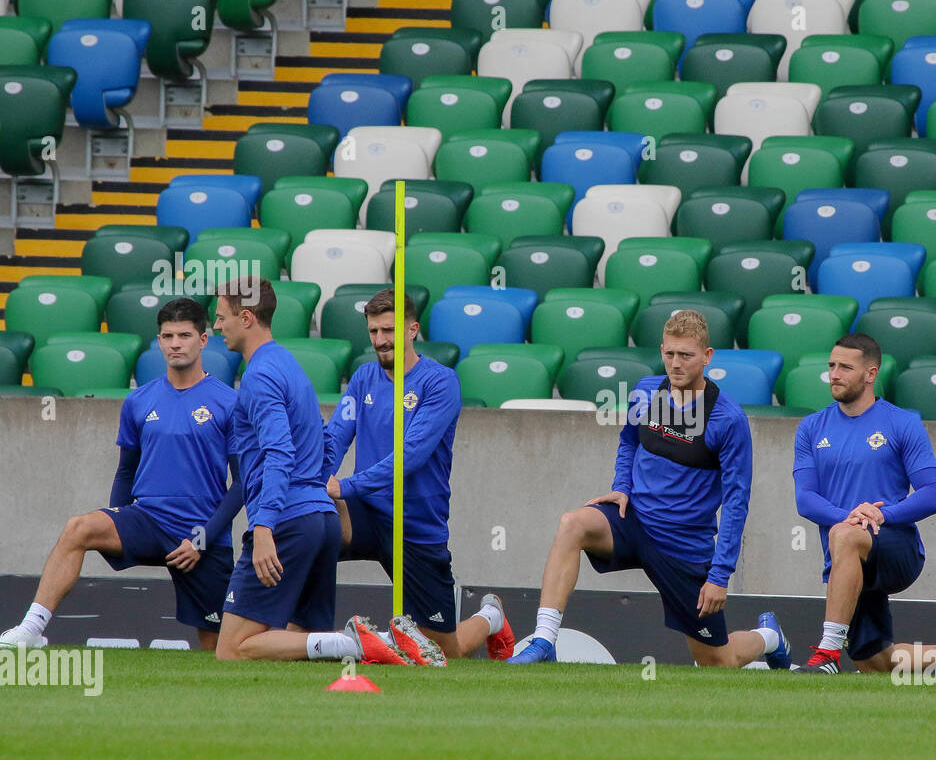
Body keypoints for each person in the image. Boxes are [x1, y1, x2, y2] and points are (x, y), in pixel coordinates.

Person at [506, 309, 790, 668]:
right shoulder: (644, 390)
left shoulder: (728, 419)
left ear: (707, 356)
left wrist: (720, 576)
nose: (676, 363)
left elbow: (737, 501)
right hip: (633, 519)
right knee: (572, 524)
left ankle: (770, 638)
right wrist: (621, 486)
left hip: (683, 546)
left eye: (686, 355)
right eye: (669, 354)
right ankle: (545, 640)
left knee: (718, 661)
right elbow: (628, 441)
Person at [0, 298, 240, 652]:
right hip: (149, 519)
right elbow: (126, 469)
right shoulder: (139, 401)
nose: (175, 343)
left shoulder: (228, 401)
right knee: (78, 528)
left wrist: (203, 539)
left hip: (203, 533)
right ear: (158, 341)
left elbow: (244, 483)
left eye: (184, 335)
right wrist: (120, 516)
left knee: (219, 651)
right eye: (167, 336)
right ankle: (31, 629)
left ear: (203, 341)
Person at [321, 288, 513, 663]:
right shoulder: (363, 379)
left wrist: (345, 485)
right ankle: (300, 636)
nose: (380, 340)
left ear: (412, 329)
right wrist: (318, 480)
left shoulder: (440, 382)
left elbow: (410, 456)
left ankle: (490, 617)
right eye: (373, 331)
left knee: (447, 651)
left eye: (388, 330)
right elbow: (335, 437)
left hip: (416, 525)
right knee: (312, 528)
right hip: (365, 513)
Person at [792, 334, 936, 675]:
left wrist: (880, 513)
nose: (834, 374)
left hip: (895, 547)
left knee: (846, 534)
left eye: (845, 367)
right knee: (875, 662)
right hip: (845, 556)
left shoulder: (902, 422)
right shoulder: (810, 427)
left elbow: (933, 494)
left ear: (870, 374)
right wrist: (847, 516)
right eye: (831, 366)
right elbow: (804, 499)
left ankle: (828, 655)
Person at [210, 277, 372, 662]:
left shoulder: (259, 375)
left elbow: (279, 452)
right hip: (320, 520)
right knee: (303, 637)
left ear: (246, 317)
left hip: (286, 520)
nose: (216, 327)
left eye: (221, 317)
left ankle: (354, 643)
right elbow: (323, 440)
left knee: (232, 650)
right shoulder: (289, 364)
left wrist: (264, 525)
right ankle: (345, 645)